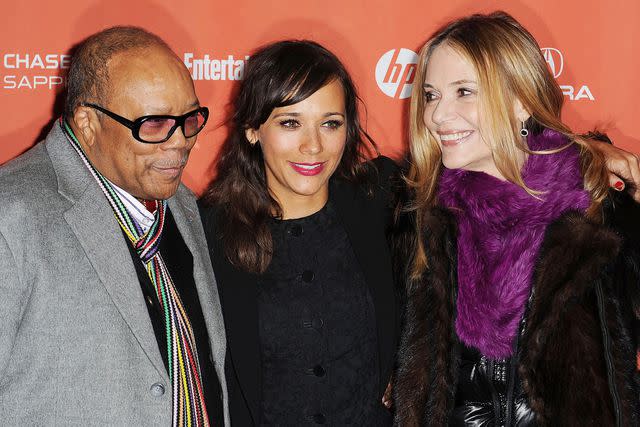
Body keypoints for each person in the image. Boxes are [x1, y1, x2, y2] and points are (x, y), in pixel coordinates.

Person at [392, 11, 640, 426]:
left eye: (464, 91)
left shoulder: (601, 211)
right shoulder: (416, 214)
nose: (437, 115)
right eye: (432, 95)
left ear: (522, 101)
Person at [0, 27, 229, 426]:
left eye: (190, 119)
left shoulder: (183, 204)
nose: (180, 143)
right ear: (87, 123)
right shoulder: (11, 215)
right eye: (154, 124)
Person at [199, 40, 399, 425]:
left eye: (330, 123)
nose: (313, 146)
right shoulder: (209, 234)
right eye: (290, 122)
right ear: (253, 130)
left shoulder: (382, 204)